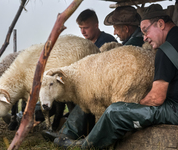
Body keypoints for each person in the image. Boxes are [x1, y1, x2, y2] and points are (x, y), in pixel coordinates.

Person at [51, 3, 178, 149]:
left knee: (115, 111)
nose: (144, 38)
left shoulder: (165, 51)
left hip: (174, 110)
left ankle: (83, 146)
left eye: (145, 31)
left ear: (161, 24)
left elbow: (156, 98)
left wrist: (135, 108)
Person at [41, 6, 145, 146]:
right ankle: (69, 132)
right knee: (85, 94)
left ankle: (70, 134)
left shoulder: (133, 44)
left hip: (123, 86)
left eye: (116, 28)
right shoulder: (129, 41)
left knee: (88, 96)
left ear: (126, 28)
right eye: (80, 28)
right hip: (114, 82)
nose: (114, 32)